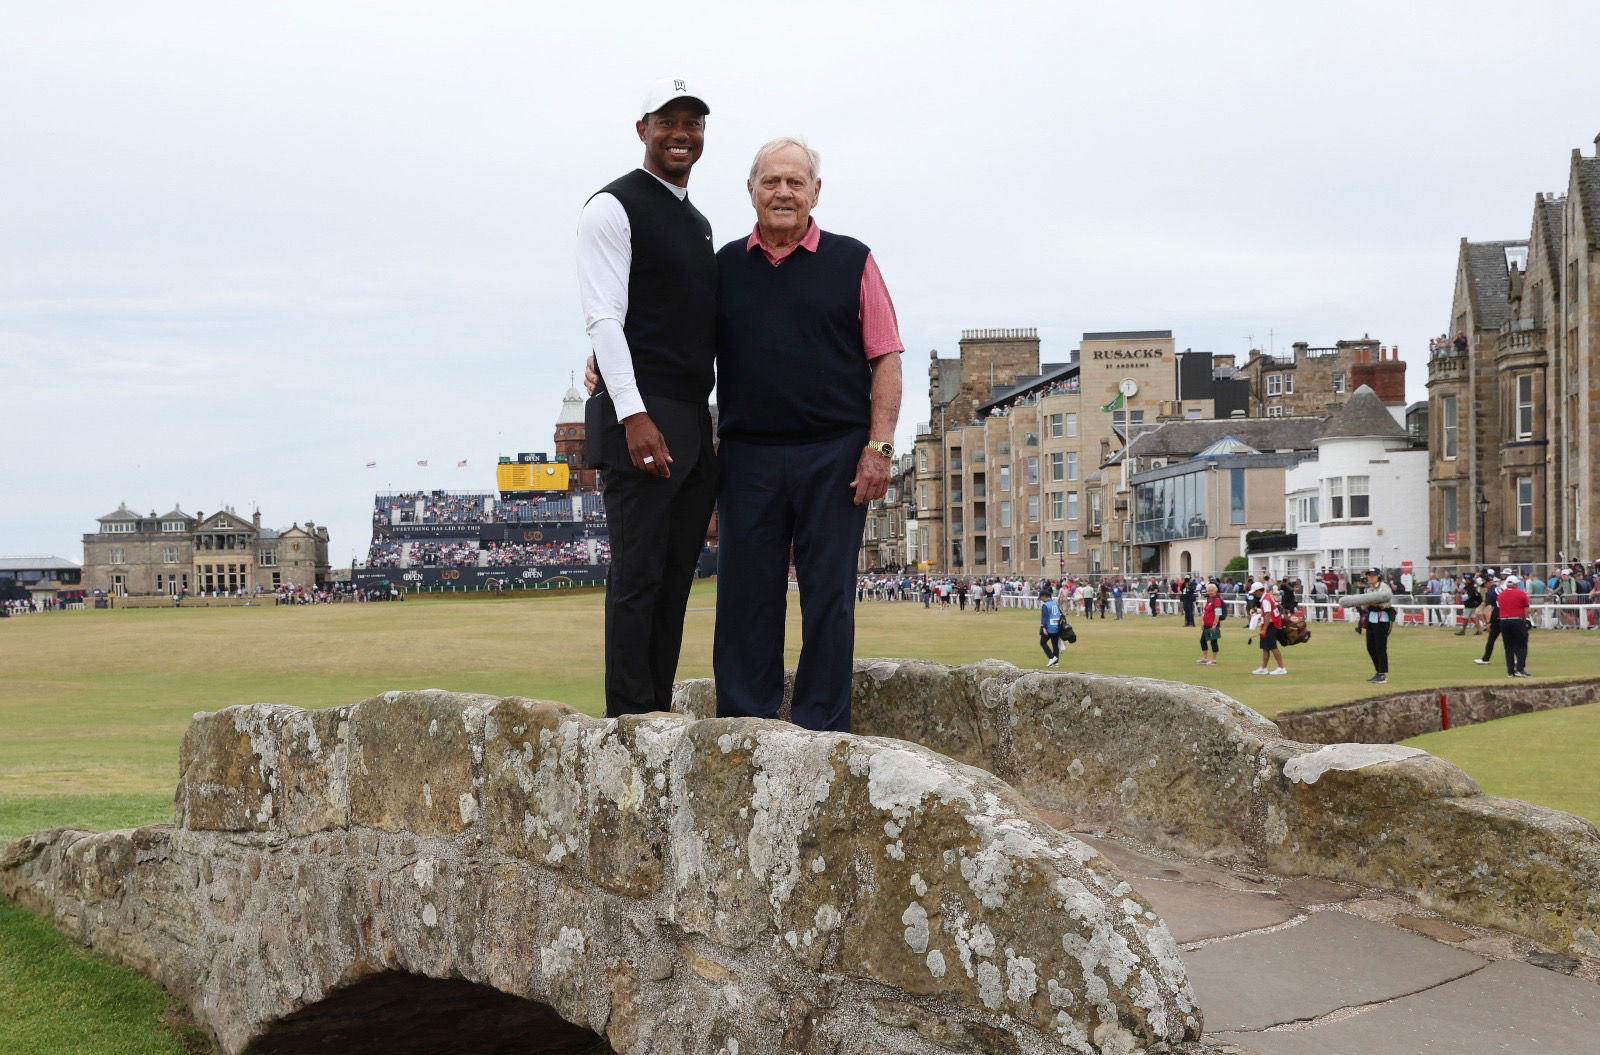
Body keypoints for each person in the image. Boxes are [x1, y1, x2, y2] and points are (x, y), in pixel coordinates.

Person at [712, 137, 904, 733]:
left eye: (796, 182)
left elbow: (886, 357)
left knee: (827, 599)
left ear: (816, 191)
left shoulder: (853, 261)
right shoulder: (721, 267)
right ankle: (747, 723)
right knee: (747, 597)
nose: (783, 193)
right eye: (771, 181)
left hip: (835, 455)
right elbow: (678, 346)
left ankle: (822, 727)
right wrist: (604, 357)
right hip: (747, 457)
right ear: (751, 190)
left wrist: (880, 447)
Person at [577, 78, 720, 718]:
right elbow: (604, 319)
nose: (681, 132)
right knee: (637, 578)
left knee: (673, 583)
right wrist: (634, 414)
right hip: (644, 412)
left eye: (693, 122)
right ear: (643, 129)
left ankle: (656, 710)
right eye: (668, 120)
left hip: (693, 413)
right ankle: (628, 721)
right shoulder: (612, 207)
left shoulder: (698, 222)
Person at [1340, 567, 1394, 684]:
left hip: (1382, 618)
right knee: (1370, 646)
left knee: (1380, 646)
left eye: (1372, 575)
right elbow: (1364, 606)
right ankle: (1378, 671)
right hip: (1372, 617)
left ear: (1378, 576)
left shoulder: (1384, 587)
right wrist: (1366, 604)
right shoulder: (1369, 590)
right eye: (1369, 575)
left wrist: (1375, 603)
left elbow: (1387, 601)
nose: (1370, 577)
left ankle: (1382, 674)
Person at [1496, 574, 1532, 677]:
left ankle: (1510, 671)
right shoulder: (1521, 594)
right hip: (1517, 620)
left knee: (1508, 647)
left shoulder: (1500, 595)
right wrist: (1524, 620)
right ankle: (1520, 669)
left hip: (1503, 621)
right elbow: (1527, 610)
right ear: (1516, 584)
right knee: (1522, 645)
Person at [1250, 581, 1287, 675]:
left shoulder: (1265, 599)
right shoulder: (1268, 596)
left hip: (1271, 625)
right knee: (1265, 647)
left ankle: (1281, 667)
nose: (1254, 594)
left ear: (1259, 591)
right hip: (1272, 624)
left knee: (1272, 647)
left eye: (1254, 592)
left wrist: (1264, 629)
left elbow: (1268, 615)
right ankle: (1264, 668)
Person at [1197, 582, 1224, 665]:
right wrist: (1203, 623)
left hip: (1213, 625)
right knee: (1203, 641)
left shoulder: (1217, 600)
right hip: (1207, 624)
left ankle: (1213, 659)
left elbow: (1218, 613)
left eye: (1209, 590)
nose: (1208, 592)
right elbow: (1206, 612)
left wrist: (1215, 624)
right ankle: (1204, 657)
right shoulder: (1209, 600)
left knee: (1213, 641)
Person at [1039, 593, 1067, 667]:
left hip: (1049, 627)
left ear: (1045, 596)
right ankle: (1056, 663)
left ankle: (1052, 658)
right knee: (1055, 645)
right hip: (1057, 627)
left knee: (1042, 642)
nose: (1041, 599)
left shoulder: (1045, 605)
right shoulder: (1055, 603)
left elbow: (1044, 617)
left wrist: (1043, 627)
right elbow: (1060, 614)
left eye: (1041, 597)